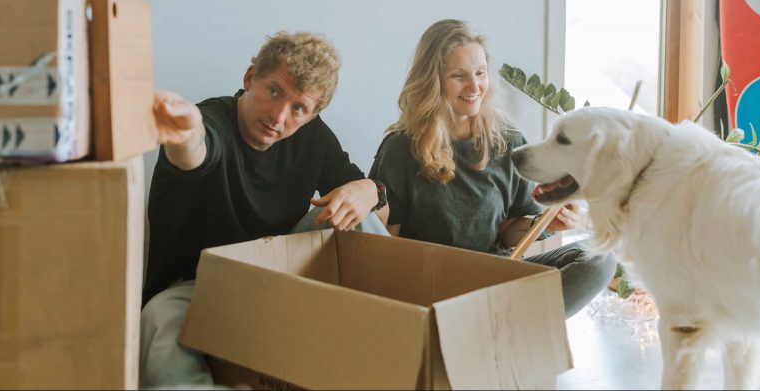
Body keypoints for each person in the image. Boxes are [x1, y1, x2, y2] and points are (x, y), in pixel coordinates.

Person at [140, 31, 389, 388]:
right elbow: (197, 151)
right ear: (249, 78)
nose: (279, 115)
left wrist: (369, 189)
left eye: (298, 108)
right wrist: (184, 135)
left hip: (278, 276)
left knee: (360, 215)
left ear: (311, 114)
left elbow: (375, 209)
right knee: (157, 320)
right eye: (274, 91)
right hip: (202, 285)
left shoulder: (313, 136)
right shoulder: (211, 120)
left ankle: (396, 345)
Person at [369, 19, 617, 319]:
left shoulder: (507, 139)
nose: (475, 87)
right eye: (459, 76)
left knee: (599, 260)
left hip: (496, 278)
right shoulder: (400, 148)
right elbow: (388, 247)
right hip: (433, 288)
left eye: (480, 73)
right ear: (433, 80)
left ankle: (502, 326)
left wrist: (546, 224)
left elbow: (510, 233)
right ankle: (499, 326)